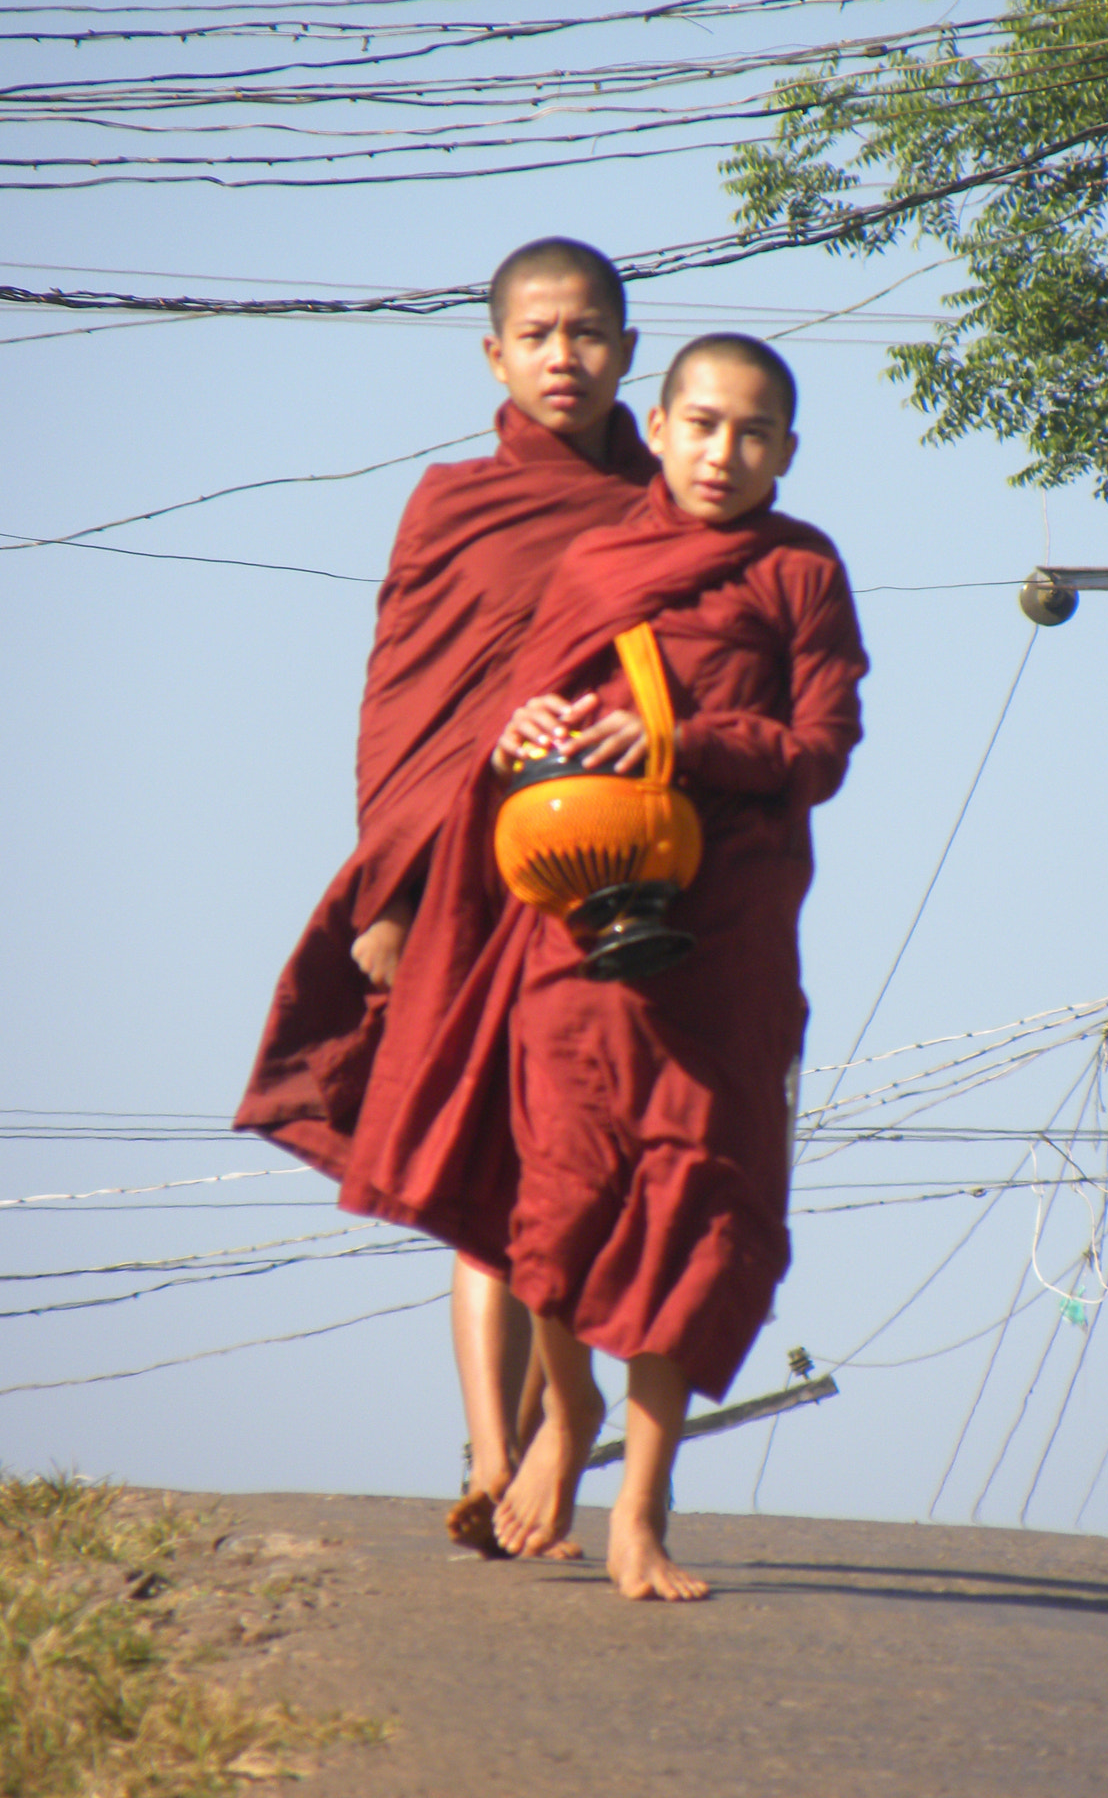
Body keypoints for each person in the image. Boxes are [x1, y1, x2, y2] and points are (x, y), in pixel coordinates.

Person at [347, 334, 867, 1598]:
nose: (721, 452)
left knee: (694, 1203)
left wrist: (684, 739)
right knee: (560, 1196)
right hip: (578, 929)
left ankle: (643, 1503)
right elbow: (523, 732)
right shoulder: (596, 560)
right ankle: (563, 1409)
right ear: (663, 425)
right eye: (700, 424)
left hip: (724, 938)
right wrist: (518, 732)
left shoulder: (800, 569)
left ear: (787, 452)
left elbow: (822, 748)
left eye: (751, 433)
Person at [234, 237, 656, 1555]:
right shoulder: (451, 504)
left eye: (588, 333)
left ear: (627, 351)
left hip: (620, 884)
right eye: (538, 334)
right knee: (496, 1161)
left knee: (586, 1170)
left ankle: (544, 1433)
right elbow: (405, 702)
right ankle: (495, 1455)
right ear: (495, 356)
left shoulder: (675, 514)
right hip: (463, 886)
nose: (564, 357)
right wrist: (388, 889)